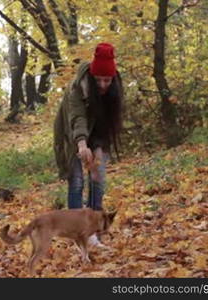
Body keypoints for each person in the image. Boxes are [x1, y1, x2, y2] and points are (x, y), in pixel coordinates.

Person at [53, 42, 124, 247]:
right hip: (72, 134)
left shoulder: (115, 87)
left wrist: (98, 153)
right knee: (76, 180)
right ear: (92, 77)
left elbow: (108, 123)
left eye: (107, 80)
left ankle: (94, 232)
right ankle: (77, 234)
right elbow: (77, 119)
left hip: (98, 136)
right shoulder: (78, 86)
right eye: (99, 80)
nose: (103, 84)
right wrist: (82, 145)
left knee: (98, 179)